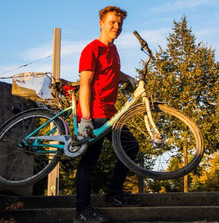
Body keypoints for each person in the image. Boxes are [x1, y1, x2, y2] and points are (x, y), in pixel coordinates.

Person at [74, 6, 140, 223]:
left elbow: (112, 72)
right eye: (112, 22)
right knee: (90, 159)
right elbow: (85, 83)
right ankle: (82, 211)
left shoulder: (113, 50)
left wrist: (129, 79)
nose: (116, 27)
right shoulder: (92, 49)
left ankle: (113, 194)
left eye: (120, 24)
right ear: (101, 23)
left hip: (111, 112)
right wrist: (85, 118)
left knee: (130, 147)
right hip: (94, 112)